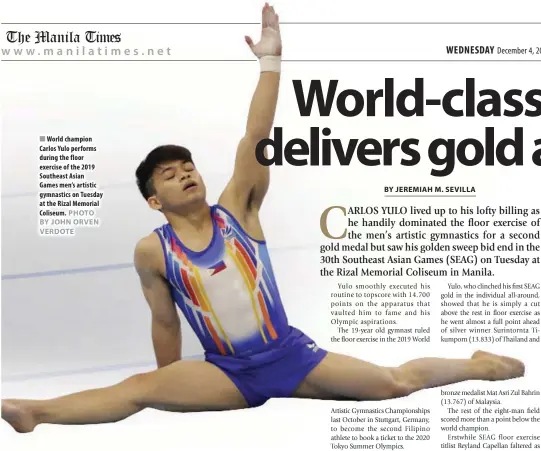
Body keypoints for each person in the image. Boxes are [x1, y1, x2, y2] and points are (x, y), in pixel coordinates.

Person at [1, 3, 525, 434]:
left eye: (189, 167)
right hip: (228, 374)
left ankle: (482, 365)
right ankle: (33, 412)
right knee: (137, 390)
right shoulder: (151, 250)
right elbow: (164, 319)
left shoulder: (239, 210)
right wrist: (172, 381)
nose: (185, 175)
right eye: (169, 174)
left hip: (290, 354)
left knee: (394, 383)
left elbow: (255, 138)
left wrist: (269, 62)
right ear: (154, 200)